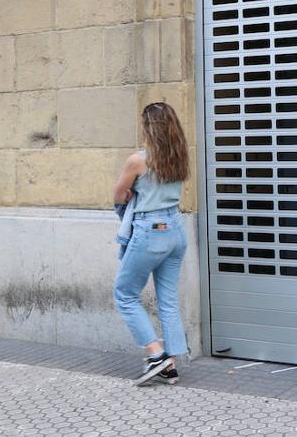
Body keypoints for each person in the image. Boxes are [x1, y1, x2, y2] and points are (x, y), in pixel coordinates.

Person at [113, 101, 190, 386]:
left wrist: (127, 205)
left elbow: (119, 193)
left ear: (148, 127)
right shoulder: (179, 157)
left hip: (151, 229)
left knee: (124, 293)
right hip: (176, 229)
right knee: (168, 299)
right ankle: (170, 364)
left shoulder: (139, 160)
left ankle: (155, 354)